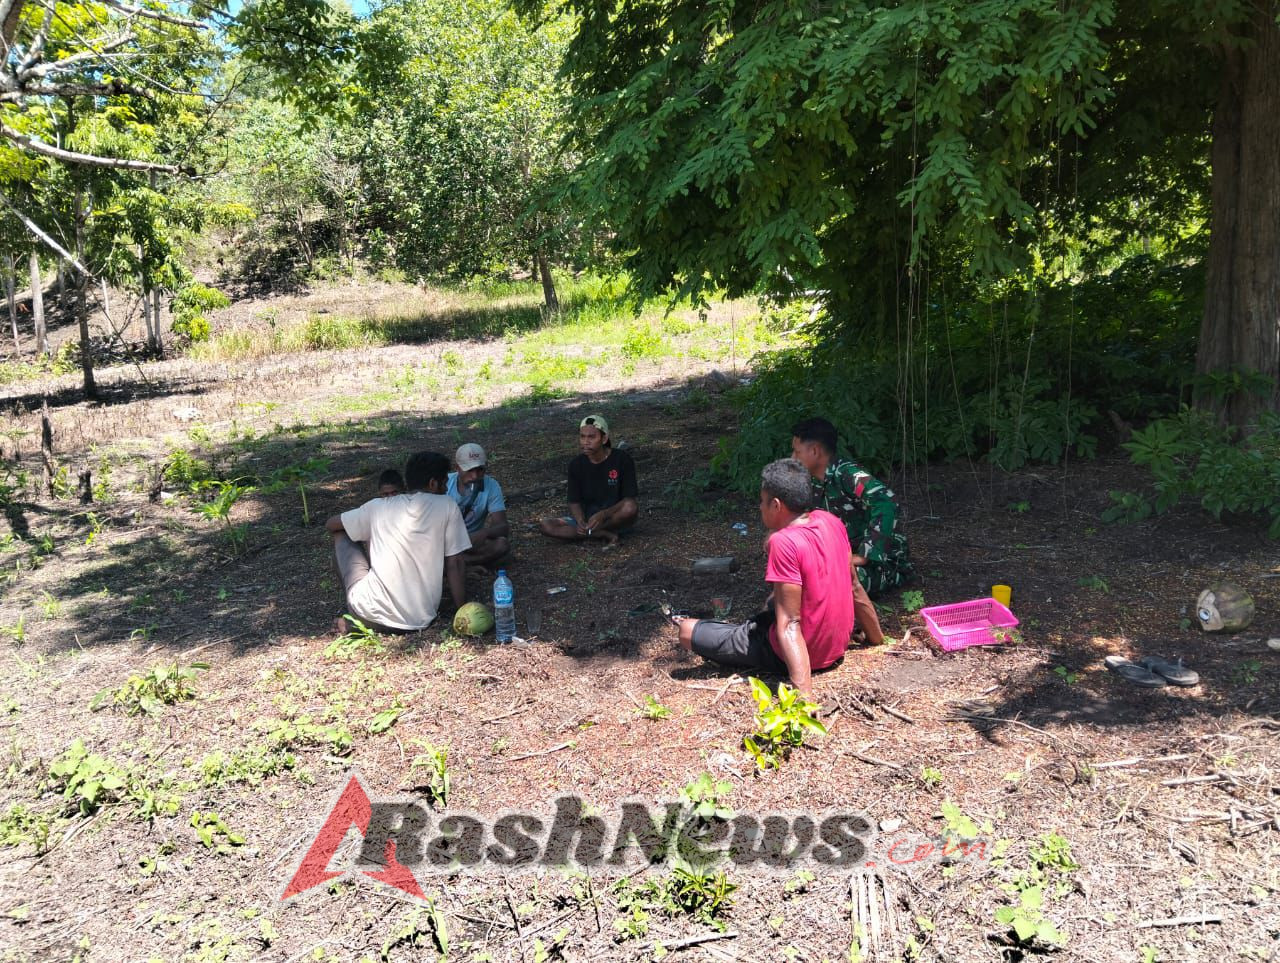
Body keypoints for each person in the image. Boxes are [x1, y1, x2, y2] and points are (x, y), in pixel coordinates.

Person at [672, 458, 854, 696]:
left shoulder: (784, 542)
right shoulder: (830, 521)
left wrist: (805, 696)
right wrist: (876, 639)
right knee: (771, 603)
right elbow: (855, 586)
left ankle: (738, 633)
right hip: (835, 647)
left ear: (776, 505)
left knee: (686, 630)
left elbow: (789, 624)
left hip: (796, 652)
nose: (759, 507)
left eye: (762, 501)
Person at [325, 451, 471, 633]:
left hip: (368, 614)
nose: (446, 488)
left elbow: (331, 524)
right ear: (433, 484)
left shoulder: (378, 506)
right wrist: (462, 610)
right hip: (419, 620)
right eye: (445, 483)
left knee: (341, 532)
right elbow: (455, 563)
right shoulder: (447, 505)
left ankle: (356, 615)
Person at [790, 417, 914, 599]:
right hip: (843, 556)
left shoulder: (847, 474)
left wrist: (865, 555)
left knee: (829, 583)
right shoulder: (815, 481)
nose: (793, 457)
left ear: (815, 451)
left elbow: (887, 502)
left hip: (882, 563)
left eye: (797, 451)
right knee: (795, 576)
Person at [539, 414, 638, 546]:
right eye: (582, 436)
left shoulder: (622, 460)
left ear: (604, 439)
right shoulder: (576, 464)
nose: (585, 442)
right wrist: (580, 520)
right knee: (546, 525)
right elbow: (573, 501)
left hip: (613, 517)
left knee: (630, 508)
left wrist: (604, 514)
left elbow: (629, 499)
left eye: (591, 437)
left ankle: (596, 531)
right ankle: (599, 534)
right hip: (587, 519)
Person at [446, 443, 510, 566]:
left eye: (480, 470)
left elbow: (502, 526)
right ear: (458, 468)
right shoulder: (446, 483)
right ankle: (463, 564)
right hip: (446, 540)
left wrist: (484, 533)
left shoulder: (491, 485)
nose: (475, 476)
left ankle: (459, 564)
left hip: (472, 542)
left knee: (501, 545)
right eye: (469, 470)